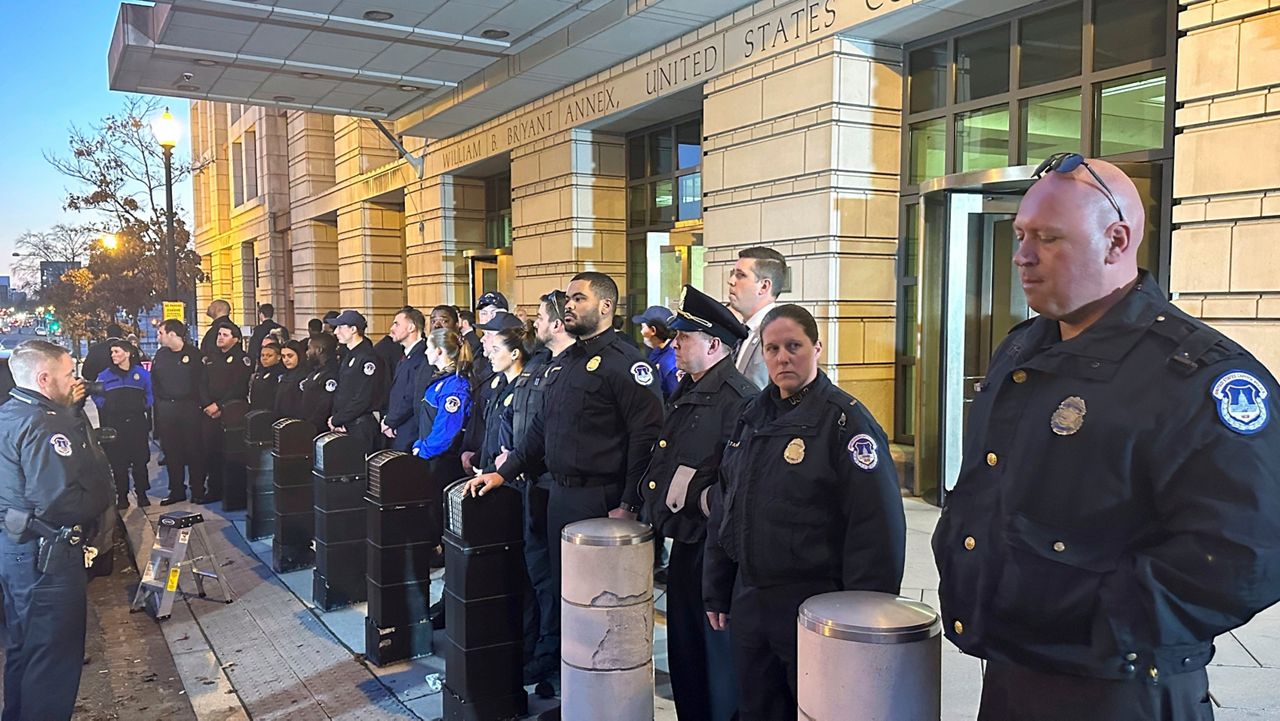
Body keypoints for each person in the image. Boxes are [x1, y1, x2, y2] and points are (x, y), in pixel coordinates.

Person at [933, 154, 1280, 721]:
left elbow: (1246, 555)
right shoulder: (1025, 349)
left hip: (1118, 686)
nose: (1022, 255)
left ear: (1116, 241)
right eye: (1021, 235)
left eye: (1047, 238)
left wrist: (1098, 619)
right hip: (1015, 669)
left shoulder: (1199, 376)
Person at [704, 304, 906, 721]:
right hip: (751, 598)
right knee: (757, 706)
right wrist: (717, 586)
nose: (782, 357)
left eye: (793, 346)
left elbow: (876, 527)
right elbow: (727, 505)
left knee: (818, 707)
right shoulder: (751, 417)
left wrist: (862, 618)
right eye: (772, 348)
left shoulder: (846, 423)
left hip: (813, 601)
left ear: (817, 347)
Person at [467, 272, 664, 606]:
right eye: (568, 299)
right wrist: (504, 472)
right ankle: (558, 658)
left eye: (579, 299)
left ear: (605, 307)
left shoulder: (626, 362)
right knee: (564, 594)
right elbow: (542, 428)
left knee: (598, 602)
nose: (569, 305)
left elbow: (646, 437)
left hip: (601, 499)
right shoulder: (565, 362)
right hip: (560, 494)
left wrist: (630, 503)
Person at [639, 286, 753, 721]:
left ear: (713, 345)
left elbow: (737, 483)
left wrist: (698, 499)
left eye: (685, 337)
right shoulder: (692, 388)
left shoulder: (739, 400)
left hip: (715, 550)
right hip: (686, 545)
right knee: (687, 658)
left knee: (716, 666)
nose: (677, 344)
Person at [0, 340, 113, 720]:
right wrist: (98, 502)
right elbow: (60, 500)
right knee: (53, 659)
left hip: (18, 551)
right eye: (68, 374)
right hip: (46, 557)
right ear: (44, 378)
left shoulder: (10, 413)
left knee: (25, 649)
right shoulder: (43, 425)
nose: (74, 380)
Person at [508, 289, 574, 689]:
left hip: (556, 487)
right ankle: (537, 643)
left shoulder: (573, 369)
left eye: (539, 315)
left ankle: (552, 652)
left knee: (553, 580)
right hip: (529, 485)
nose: (533, 322)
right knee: (535, 575)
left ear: (558, 322)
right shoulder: (539, 364)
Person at [92, 339, 154, 509]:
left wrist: (143, 405)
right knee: (118, 463)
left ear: (128, 353)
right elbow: (96, 395)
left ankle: (142, 494)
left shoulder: (141, 374)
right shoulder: (105, 376)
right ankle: (123, 497)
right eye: (112, 352)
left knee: (140, 461)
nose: (113, 355)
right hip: (115, 424)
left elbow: (150, 394)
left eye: (117, 351)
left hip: (137, 424)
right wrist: (105, 405)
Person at [151, 320, 208, 505]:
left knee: (194, 451)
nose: (158, 336)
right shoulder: (161, 355)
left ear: (172, 334)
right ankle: (176, 490)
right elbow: (155, 381)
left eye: (161, 333)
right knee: (172, 451)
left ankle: (198, 489)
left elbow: (202, 382)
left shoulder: (194, 355)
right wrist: (160, 404)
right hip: (167, 408)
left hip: (189, 407)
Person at [460, 312, 523, 474]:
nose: (482, 339)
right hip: (484, 462)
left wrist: (490, 470)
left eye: (488, 335)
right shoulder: (498, 378)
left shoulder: (521, 386)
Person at [201, 322, 252, 503]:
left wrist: (220, 406)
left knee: (229, 453)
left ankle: (231, 493)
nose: (220, 337)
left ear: (236, 339)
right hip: (209, 412)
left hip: (231, 414)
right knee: (210, 452)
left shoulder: (242, 360)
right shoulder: (211, 358)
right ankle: (213, 489)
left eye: (225, 335)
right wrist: (207, 403)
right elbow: (203, 383)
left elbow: (238, 387)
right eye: (219, 334)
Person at [411, 328, 473, 476]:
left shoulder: (454, 386)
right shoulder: (441, 381)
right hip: (430, 457)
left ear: (439, 351)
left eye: (428, 348)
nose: (425, 352)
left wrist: (424, 451)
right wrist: (419, 445)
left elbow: (446, 430)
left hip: (441, 462)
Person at [325, 309, 387, 455]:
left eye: (340, 327)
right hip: (349, 423)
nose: (336, 332)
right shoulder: (350, 354)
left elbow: (363, 397)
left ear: (353, 329)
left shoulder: (367, 358)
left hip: (361, 425)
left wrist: (338, 419)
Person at [726, 247, 787, 389]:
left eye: (740, 275)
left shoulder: (779, 334)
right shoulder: (742, 331)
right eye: (733, 274)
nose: (731, 281)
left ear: (764, 287)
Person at [382, 307, 428, 452]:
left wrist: (390, 421)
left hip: (410, 430)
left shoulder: (421, 356)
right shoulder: (406, 356)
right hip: (399, 427)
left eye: (396, 324)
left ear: (411, 327)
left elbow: (411, 395)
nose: (391, 328)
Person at [632, 306, 681, 400]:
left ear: (653, 330)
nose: (641, 332)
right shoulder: (657, 351)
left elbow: (674, 399)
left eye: (643, 327)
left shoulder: (670, 362)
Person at [300, 334, 339, 432]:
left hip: (319, 430)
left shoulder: (331, 373)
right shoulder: (316, 371)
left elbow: (325, 405)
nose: (307, 352)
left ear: (319, 350)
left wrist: (310, 426)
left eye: (309, 348)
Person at [274, 340, 308, 419]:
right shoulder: (284, 375)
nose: (286, 360)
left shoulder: (305, 376)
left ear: (299, 355)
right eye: (283, 356)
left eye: (290, 356)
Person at [247, 303, 285, 370]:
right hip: (280, 363)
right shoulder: (282, 329)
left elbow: (252, 350)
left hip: (263, 364)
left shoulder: (258, 330)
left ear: (261, 314)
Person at [249, 343, 285, 411]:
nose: (265, 358)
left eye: (269, 356)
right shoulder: (260, 373)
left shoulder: (280, 375)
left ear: (278, 357)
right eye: (262, 355)